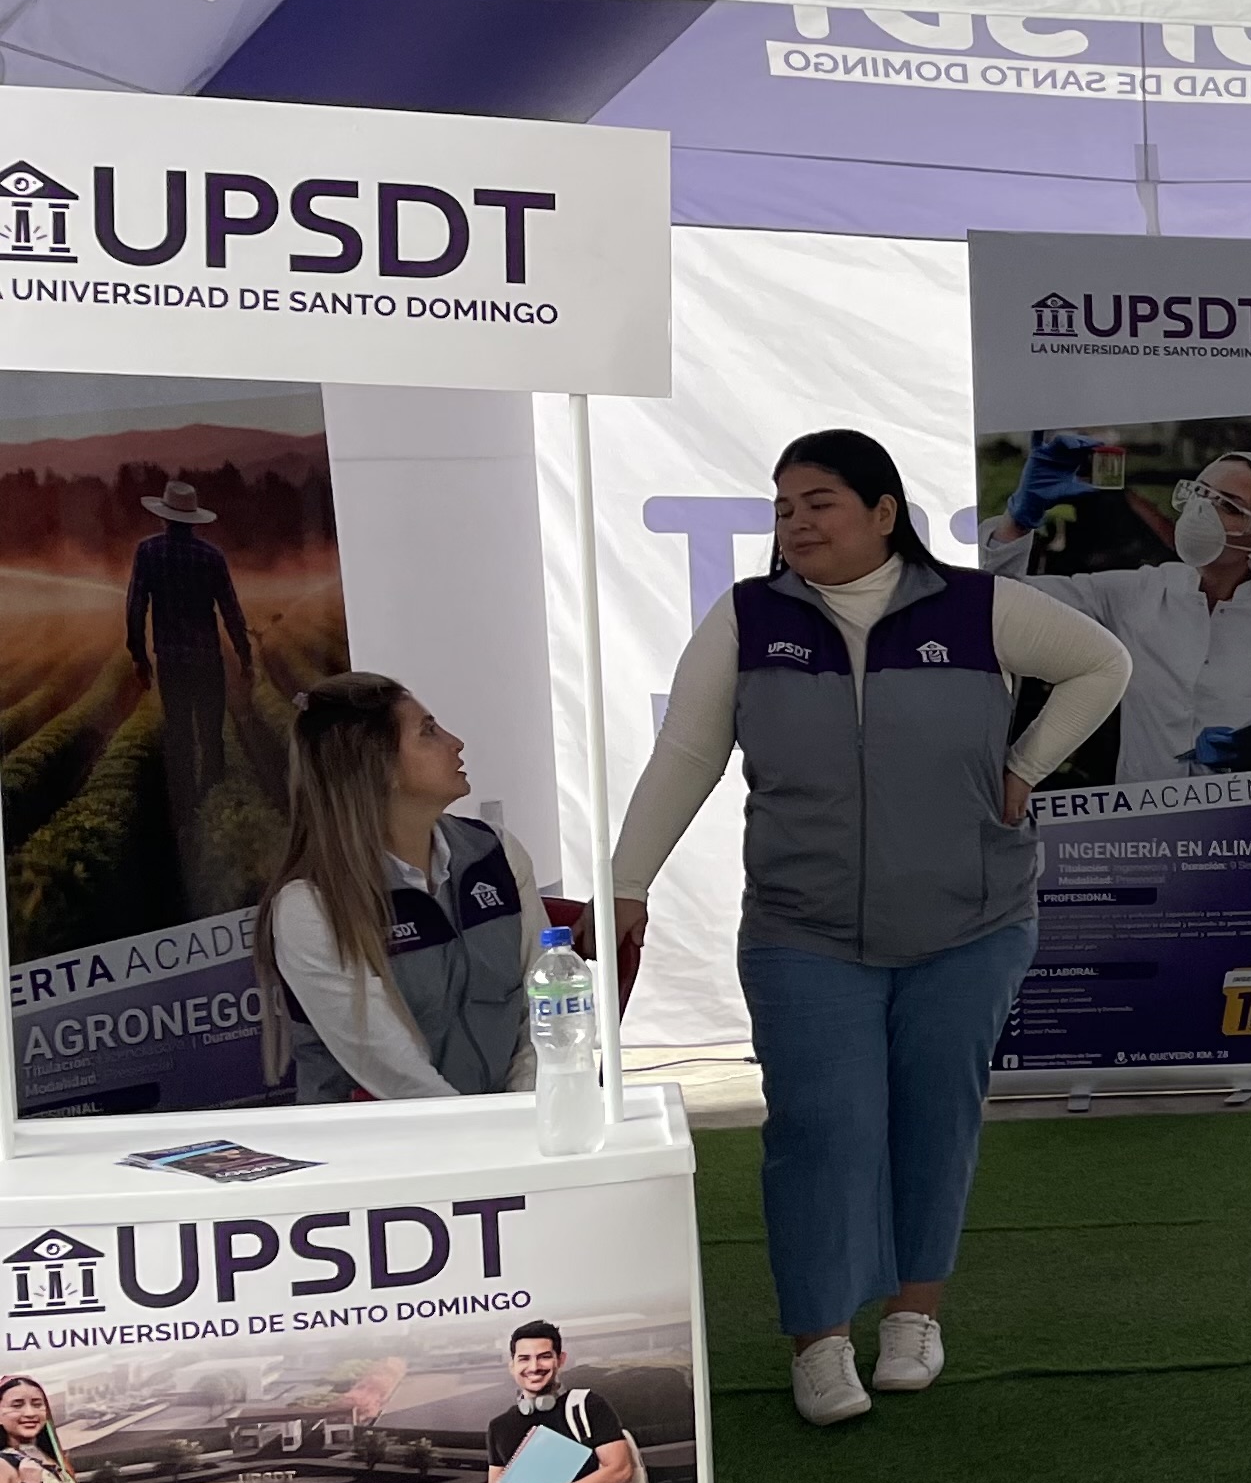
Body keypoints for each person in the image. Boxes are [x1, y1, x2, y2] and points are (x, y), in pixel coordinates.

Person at [609, 430, 1130, 1428]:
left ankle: (913, 1317)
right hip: (802, 931)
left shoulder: (978, 608)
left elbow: (1102, 664)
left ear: (884, 512)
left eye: (820, 503)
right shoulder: (749, 619)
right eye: (783, 508)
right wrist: (627, 882)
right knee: (821, 1130)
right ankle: (817, 1341)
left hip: (971, 925)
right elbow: (685, 754)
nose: (796, 523)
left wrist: (1023, 768)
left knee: (936, 1120)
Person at [253, 675, 546, 1102]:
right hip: (384, 1138)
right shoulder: (311, 907)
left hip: (511, 1121)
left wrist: (526, 1109)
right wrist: (490, 1132)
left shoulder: (496, 853)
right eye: (429, 732)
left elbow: (545, 1007)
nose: (456, 743)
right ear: (381, 767)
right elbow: (398, 1077)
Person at [986, 439, 1251, 779]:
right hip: (1142, 810)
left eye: (1229, 506)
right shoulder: (1138, 593)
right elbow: (1000, 602)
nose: (1202, 511)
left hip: (1240, 813)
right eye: (1200, 493)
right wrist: (1018, 520)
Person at [125, 475, 258, 804]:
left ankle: (185, 802)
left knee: (179, 732)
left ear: (164, 516)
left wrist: (139, 657)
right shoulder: (212, 556)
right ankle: (213, 799)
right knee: (212, 735)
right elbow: (231, 611)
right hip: (207, 659)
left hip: (170, 661)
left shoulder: (148, 551)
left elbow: (135, 607)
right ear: (193, 520)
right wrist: (245, 656)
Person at [479, 1320, 641, 1483]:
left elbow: (620, 1470)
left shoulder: (588, 1406)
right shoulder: (500, 1425)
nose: (534, 1367)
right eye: (524, 1359)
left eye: (544, 1357)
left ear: (560, 1359)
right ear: (512, 1366)